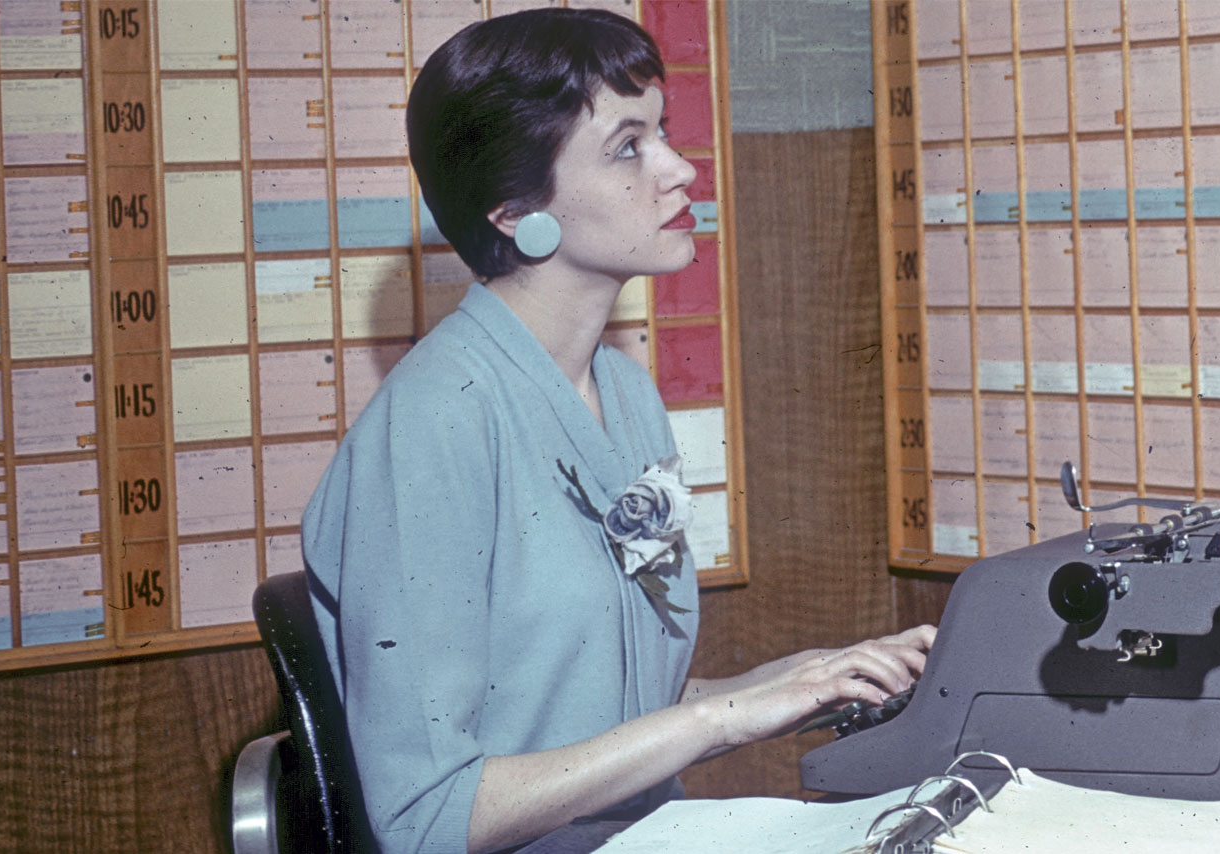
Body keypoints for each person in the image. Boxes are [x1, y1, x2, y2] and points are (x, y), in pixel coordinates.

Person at [299, 9, 934, 853]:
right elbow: (428, 817)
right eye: (628, 146)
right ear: (516, 210)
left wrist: (810, 680)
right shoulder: (433, 424)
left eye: (662, 132)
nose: (680, 169)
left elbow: (607, 717)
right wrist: (723, 718)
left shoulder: (626, 393)